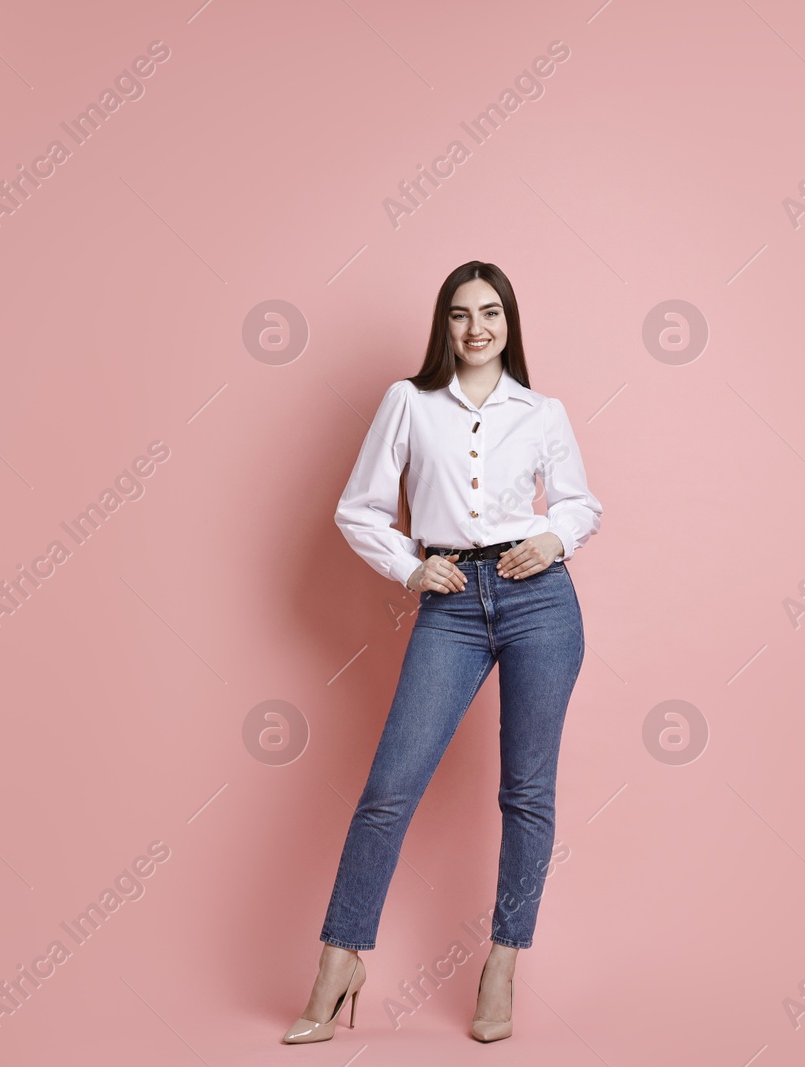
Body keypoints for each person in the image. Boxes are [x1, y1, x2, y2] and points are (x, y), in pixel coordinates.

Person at [282, 260, 603, 1045]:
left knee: (527, 794)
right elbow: (357, 509)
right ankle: (340, 958)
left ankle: (503, 961)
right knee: (389, 788)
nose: (476, 328)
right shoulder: (409, 402)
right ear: (444, 324)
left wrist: (555, 536)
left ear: (509, 322)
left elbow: (580, 501)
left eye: (490, 313)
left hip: (541, 601)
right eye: (461, 315)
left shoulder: (543, 410)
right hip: (451, 604)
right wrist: (410, 565)